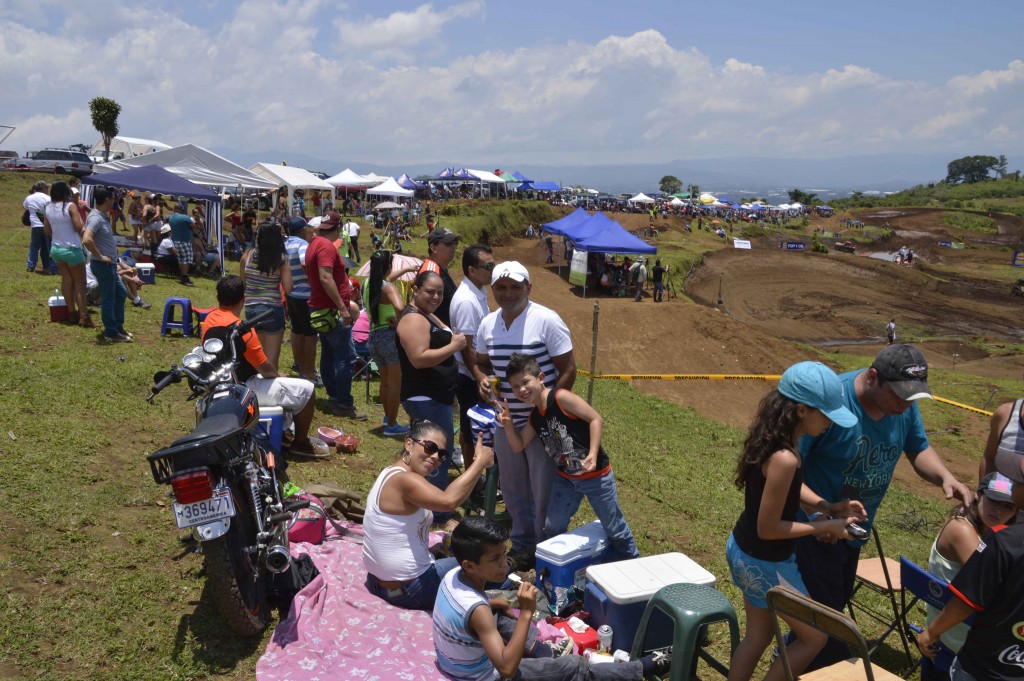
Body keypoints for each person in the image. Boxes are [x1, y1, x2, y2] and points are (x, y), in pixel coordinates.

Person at [792, 344, 972, 668]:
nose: (905, 406)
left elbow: (918, 449)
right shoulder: (833, 402)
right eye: (899, 397)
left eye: (912, 399)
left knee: (826, 610)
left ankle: (792, 657)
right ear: (873, 378)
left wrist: (945, 477)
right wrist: (820, 515)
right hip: (816, 531)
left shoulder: (902, 408)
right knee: (829, 627)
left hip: (853, 532)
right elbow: (787, 468)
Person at [726, 362, 862, 681]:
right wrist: (826, 526)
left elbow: (788, 489)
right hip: (766, 562)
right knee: (815, 637)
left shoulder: (780, 440)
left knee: (758, 637)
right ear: (802, 410)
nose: (831, 423)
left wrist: (827, 506)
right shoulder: (786, 457)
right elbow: (769, 528)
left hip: (744, 551)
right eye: (827, 415)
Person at [432, 516, 673, 681]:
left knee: (501, 613)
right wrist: (526, 612)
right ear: (470, 565)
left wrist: (495, 603)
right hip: (481, 676)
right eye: (495, 559)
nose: (504, 563)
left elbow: (470, 612)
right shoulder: (478, 611)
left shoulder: (454, 575)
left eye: (504, 554)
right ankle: (645, 667)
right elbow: (506, 669)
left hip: (454, 662)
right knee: (576, 667)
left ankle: (542, 653)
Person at [475, 261, 576, 571]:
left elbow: (568, 368)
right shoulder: (488, 325)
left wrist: (548, 411)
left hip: (541, 423)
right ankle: (522, 547)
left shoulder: (546, 320)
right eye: (501, 287)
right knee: (514, 487)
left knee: (542, 489)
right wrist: (481, 377)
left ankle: (546, 551)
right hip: (506, 421)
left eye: (515, 287)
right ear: (493, 290)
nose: (508, 293)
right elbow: (480, 362)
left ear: (528, 288)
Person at [498, 354, 640, 560]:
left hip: (596, 477)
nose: (521, 390)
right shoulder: (535, 416)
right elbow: (518, 445)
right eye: (514, 386)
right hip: (566, 480)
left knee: (615, 528)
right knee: (552, 526)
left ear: (541, 378)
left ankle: (633, 563)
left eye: (525, 382)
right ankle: (563, 564)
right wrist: (508, 425)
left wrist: (592, 453)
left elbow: (595, 419)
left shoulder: (561, 398)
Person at [362, 421, 495, 610]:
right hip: (412, 590)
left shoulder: (390, 472)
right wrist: (480, 462)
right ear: (409, 444)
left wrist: (429, 552)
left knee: (467, 559)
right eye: (430, 447)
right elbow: (449, 501)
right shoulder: (405, 479)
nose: (435, 457)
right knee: (490, 568)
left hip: (379, 583)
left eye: (442, 454)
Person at [914, 474, 1024, 681]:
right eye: (993, 501)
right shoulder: (962, 530)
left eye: (1007, 507)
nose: (998, 510)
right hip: (957, 639)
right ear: (978, 496)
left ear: (1016, 511)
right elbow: (988, 586)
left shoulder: (992, 534)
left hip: (952, 630)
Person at [202, 275, 320, 459]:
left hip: (219, 384)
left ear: (218, 297)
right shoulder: (243, 329)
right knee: (308, 390)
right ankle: (301, 443)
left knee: (287, 390)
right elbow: (264, 369)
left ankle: (283, 434)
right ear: (243, 299)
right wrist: (278, 375)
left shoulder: (210, 319)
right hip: (243, 388)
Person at [396, 271, 465, 505]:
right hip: (426, 397)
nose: (436, 297)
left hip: (435, 396)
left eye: (440, 292)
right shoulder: (414, 318)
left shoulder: (427, 315)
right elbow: (418, 358)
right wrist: (453, 346)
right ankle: (436, 509)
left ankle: (422, 502)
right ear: (415, 290)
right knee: (435, 456)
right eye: (430, 292)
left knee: (429, 453)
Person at [305, 211, 367, 420]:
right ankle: (343, 402)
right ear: (338, 228)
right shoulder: (324, 246)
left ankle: (333, 395)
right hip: (331, 310)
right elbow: (325, 276)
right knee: (346, 358)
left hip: (321, 307)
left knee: (329, 353)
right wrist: (342, 307)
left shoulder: (314, 243)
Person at [450, 244, 496, 467]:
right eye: (487, 266)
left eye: (493, 264)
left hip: (472, 371)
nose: (492, 270)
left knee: (471, 426)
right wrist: (479, 377)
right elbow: (466, 346)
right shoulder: (468, 301)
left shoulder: (478, 292)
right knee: (471, 431)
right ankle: (472, 484)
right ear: (472, 270)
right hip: (468, 374)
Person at [363, 250, 416, 437]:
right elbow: (401, 307)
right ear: (389, 267)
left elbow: (387, 279)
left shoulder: (368, 283)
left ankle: (388, 418)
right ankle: (392, 425)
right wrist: (402, 321)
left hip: (374, 337)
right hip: (389, 337)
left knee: (385, 382)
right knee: (395, 384)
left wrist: (406, 270)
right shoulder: (389, 288)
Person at [82, 187, 131, 343]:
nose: (114, 201)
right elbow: (87, 239)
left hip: (110, 265)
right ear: (107, 200)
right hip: (102, 265)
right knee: (109, 298)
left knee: (121, 293)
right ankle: (111, 332)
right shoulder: (96, 218)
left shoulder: (103, 217)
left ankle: (117, 327)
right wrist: (100, 256)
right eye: (112, 198)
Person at [241, 222, 292, 370]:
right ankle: (270, 390)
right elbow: (288, 288)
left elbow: (243, 284)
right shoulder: (281, 259)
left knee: (260, 358)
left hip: (251, 308)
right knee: (272, 360)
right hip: (271, 309)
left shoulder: (247, 255)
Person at [42, 181, 92, 328]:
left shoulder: (48, 207)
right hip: (72, 249)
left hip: (56, 249)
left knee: (67, 280)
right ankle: (84, 316)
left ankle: (71, 313)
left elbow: (46, 231)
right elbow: (78, 227)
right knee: (80, 284)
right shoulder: (70, 206)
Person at [283, 216, 318, 386]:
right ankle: (309, 371)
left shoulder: (285, 243)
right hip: (305, 295)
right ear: (303, 230)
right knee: (310, 335)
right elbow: (305, 262)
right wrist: (312, 280)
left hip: (291, 294)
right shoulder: (302, 244)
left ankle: (299, 364)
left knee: (296, 331)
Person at [417, 227, 460, 326]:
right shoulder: (431, 270)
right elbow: (421, 308)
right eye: (448, 243)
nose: (453, 246)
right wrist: (444, 328)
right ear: (433, 248)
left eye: (455, 243)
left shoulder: (440, 268)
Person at [24, 180, 55, 274]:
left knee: (34, 246)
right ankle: (50, 267)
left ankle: (31, 265)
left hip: (35, 225)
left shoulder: (29, 198)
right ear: (43, 188)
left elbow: (25, 207)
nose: (48, 189)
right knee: (48, 247)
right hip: (46, 225)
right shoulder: (47, 198)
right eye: (47, 187)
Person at [167, 204, 196, 286]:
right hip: (185, 241)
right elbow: (193, 227)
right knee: (186, 260)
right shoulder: (185, 217)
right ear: (182, 210)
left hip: (176, 241)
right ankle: (184, 277)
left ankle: (182, 276)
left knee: (180, 259)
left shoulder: (171, 217)